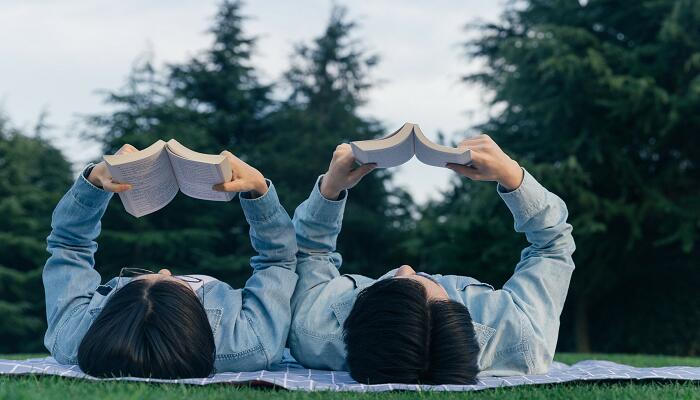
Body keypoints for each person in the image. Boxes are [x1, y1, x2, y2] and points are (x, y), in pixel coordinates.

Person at [288, 135, 576, 384]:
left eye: (391, 282)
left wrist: (330, 189)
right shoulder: (521, 338)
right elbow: (553, 246)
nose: (406, 267)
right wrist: (512, 177)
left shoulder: (312, 332)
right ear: (455, 313)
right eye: (424, 282)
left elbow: (310, 253)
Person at [43, 144, 298, 378]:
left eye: (137, 277)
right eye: (178, 284)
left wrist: (92, 184)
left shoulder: (73, 338)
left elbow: (68, 245)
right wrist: (259, 192)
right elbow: (277, 261)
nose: (166, 270)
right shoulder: (248, 345)